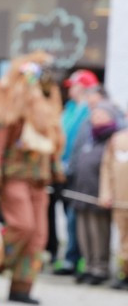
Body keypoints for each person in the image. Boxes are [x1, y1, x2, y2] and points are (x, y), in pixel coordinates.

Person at [0, 54, 65, 305]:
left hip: (39, 181)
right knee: (21, 226)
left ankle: (22, 286)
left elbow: (52, 145)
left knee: (38, 236)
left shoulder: (47, 110)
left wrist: (56, 172)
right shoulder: (13, 108)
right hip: (15, 178)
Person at [52, 70, 99, 275]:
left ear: (83, 87)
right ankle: (69, 256)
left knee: (75, 217)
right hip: (63, 170)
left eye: (74, 85)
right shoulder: (69, 108)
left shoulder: (89, 110)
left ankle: (78, 259)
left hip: (80, 172)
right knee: (66, 215)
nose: (70, 88)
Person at [69, 100, 118, 285]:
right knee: (84, 232)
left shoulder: (112, 138)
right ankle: (89, 265)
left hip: (99, 194)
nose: (95, 118)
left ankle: (100, 267)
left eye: (100, 115)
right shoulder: (89, 136)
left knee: (99, 232)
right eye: (94, 114)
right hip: (82, 191)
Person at [100, 122, 128, 289]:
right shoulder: (117, 139)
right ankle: (124, 272)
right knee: (123, 237)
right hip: (120, 199)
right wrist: (105, 193)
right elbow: (107, 167)